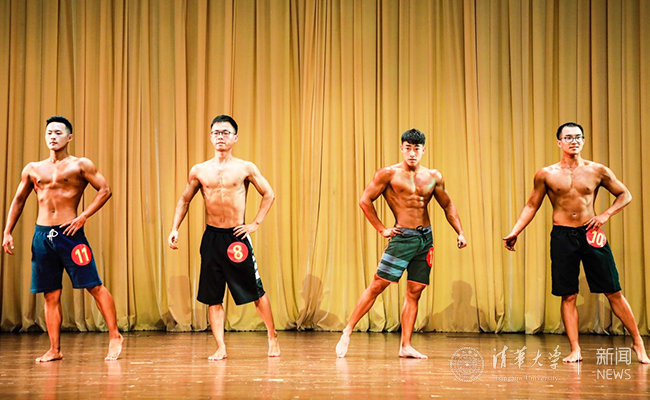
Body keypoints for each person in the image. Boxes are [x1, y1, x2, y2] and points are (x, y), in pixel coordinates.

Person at [503, 122, 650, 364]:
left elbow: (625, 194)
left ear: (583, 141)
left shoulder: (597, 170)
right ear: (559, 142)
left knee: (613, 291)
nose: (574, 141)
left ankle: (637, 342)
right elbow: (531, 205)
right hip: (562, 236)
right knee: (568, 295)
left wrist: (605, 215)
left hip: (591, 234)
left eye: (578, 137)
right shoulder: (546, 174)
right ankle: (575, 349)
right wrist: (515, 231)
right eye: (569, 137)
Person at [336, 129, 467, 359]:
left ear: (423, 150)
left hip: (425, 240)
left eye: (416, 149)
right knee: (378, 285)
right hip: (402, 238)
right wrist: (382, 229)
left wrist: (460, 232)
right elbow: (365, 200)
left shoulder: (434, 176)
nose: (412, 153)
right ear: (401, 149)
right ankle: (347, 331)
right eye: (408, 148)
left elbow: (447, 205)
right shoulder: (388, 174)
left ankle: (405, 346)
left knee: (414, 291)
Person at [2, 115, 123, 362]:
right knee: (50, 294)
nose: (53, 137)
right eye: (49, 133)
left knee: (94, 285)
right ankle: (55, 349)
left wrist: (84, 216)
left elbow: (105, 190)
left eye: (58, 133)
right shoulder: (33, 168)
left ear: (69, 137)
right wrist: (7, 231)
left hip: (71, 235)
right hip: (42, 236)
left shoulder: (80, 165)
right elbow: (19, 200)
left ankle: (115, 335)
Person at [168, 114, 280, 360]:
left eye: (225, 132)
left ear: (235, 138)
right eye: (216, 133)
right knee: (213, 296)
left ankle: (272, 337)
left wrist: (254, 224)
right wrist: (175, 228)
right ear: (210, 137)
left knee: (256, 291)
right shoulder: (199, 170)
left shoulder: (245, 168)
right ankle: (220, 347)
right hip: (211, 238)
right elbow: (184, 200)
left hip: (236, 237)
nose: (220, 137)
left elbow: (269, 194)